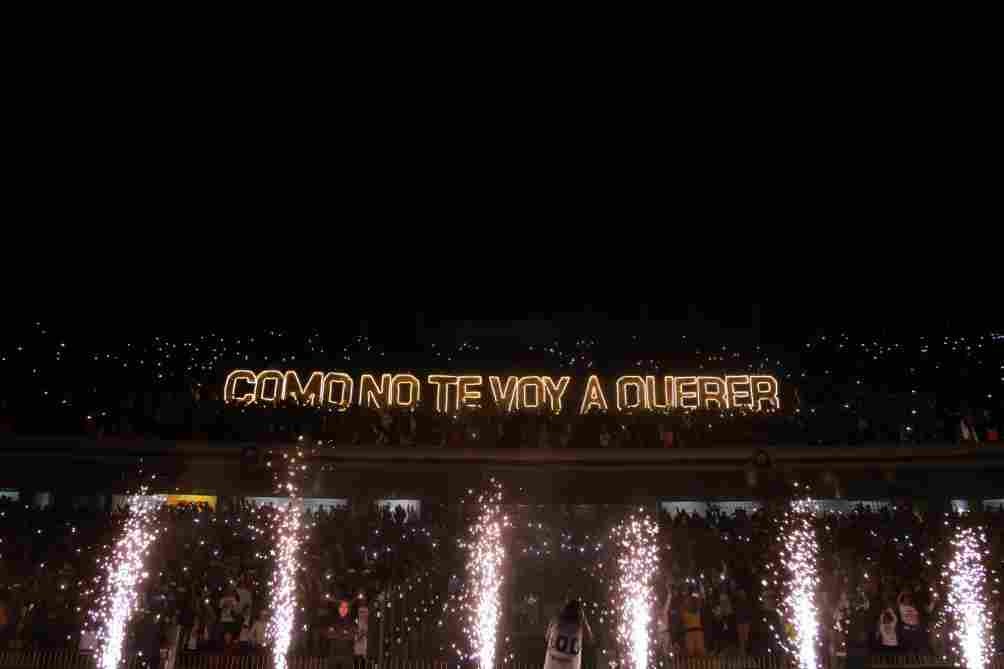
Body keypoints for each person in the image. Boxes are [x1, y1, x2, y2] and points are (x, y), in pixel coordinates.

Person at [544, 599, 592, 669]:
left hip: (551, 665)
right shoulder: (580, 626)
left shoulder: (555, 621)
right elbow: (590, 639)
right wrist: (584, 618)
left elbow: (546, 638)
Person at [328, 599, 357, 669]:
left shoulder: (352, 622)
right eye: (342, 607)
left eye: (346, 607)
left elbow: (351, 636)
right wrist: (344, 632)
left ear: (348, 609)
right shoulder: (332, 620)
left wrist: (336, 632)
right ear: (339, 608)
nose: (344, 609)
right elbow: (329, 635)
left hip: (347, 655)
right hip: (334, 654)